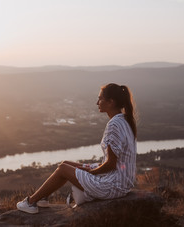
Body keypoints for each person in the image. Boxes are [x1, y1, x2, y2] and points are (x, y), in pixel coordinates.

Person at [16, 83, 137, 214]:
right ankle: (43, 197)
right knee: (65, 164)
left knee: (63, 169)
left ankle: (31, 202)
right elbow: (115, 163)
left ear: (111, 102)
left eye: (100, 99)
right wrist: (90, 169)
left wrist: (91, 173)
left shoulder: (114, 125)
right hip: (120, 182)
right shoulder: (125, 120)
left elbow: (111, 165)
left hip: (112, 186)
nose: (97, 102)